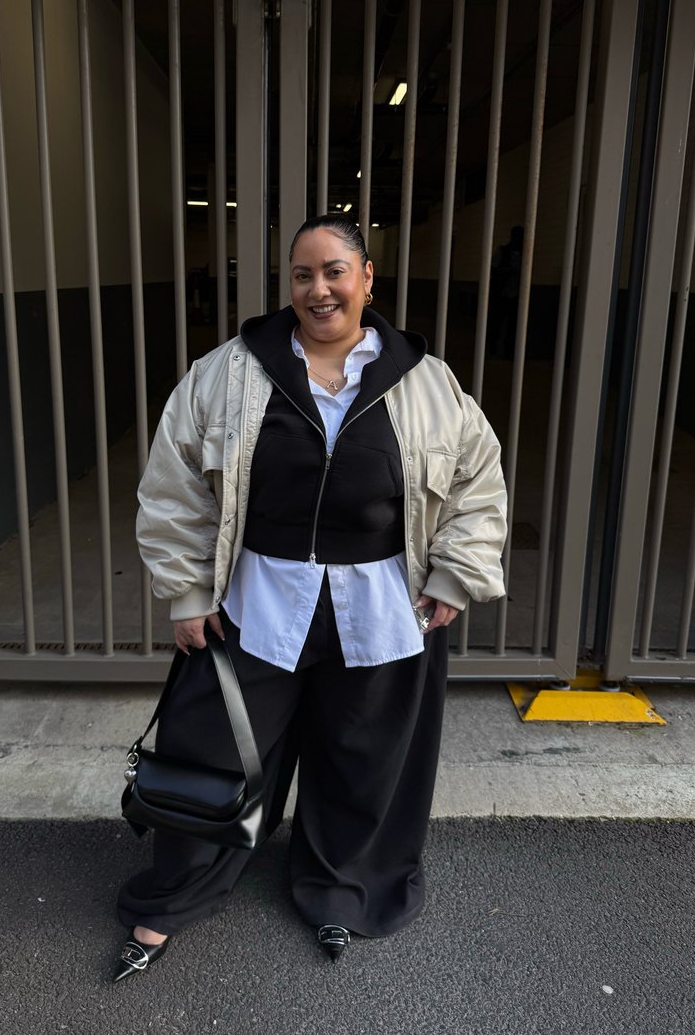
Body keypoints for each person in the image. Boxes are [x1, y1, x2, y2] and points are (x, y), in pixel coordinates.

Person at [113, 214, 507, 982]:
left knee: (363, 753)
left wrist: (455, 573)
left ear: (366, 279)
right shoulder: (229, 371)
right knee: (220, 749)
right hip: (260, 598)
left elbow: (477, 479)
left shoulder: (425, 380)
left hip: (385, 603)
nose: (317, 288)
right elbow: (174, 484)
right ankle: (179, 891)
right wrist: (189, 589)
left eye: (333, 271)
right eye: (302, 274)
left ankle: (343, 887)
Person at [490, 224, 523, 359]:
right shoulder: (503, 251)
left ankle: (510, 352)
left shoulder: (525, 253)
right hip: (502, 292)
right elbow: (493, 269)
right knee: (497, 323)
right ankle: (493, 349)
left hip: (517, 294)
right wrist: (509, 271)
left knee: (513, 326)